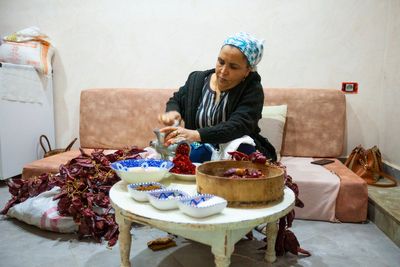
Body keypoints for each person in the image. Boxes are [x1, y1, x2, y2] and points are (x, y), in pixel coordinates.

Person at [158, 32, 277, 162]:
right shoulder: (197, 80)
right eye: (221, 62)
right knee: (192, 152)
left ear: (248, 71)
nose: (223, 70)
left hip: (231, 146)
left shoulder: (252, 90)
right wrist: (173, 112)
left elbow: (238, 125)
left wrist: (195, 134)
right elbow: (176, 100)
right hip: (197, 146)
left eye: (233, 67)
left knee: (242, 151)